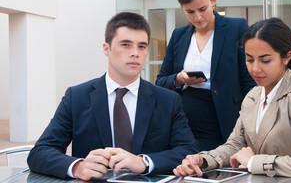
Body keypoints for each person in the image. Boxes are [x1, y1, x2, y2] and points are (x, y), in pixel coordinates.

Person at [27, 12, 199, 180]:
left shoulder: (168, 100)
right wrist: (78, 167)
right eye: (125, 44)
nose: (135, 53)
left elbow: (188, 150)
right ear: (106, 49)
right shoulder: (77, 97)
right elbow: (40, 152)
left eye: (142, 46)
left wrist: (144, 162)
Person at [173, 18, 291, 178]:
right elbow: (235, 144)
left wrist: (254, 162)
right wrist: (203, 160)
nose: (255, 69)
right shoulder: (253, 96)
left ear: (286, 57)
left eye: (265, 60)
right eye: (249, 59)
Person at [156, 0, 256, 151]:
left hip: (224, 120)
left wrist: (252, 121)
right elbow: (160, 81)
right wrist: (179, 79)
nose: (198, 17)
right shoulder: (178, 36)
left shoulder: (236, 28)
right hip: (184, 122)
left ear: (214, 0)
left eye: (202, 9)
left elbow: (248, 80)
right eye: (190, 12)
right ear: (182, 8)